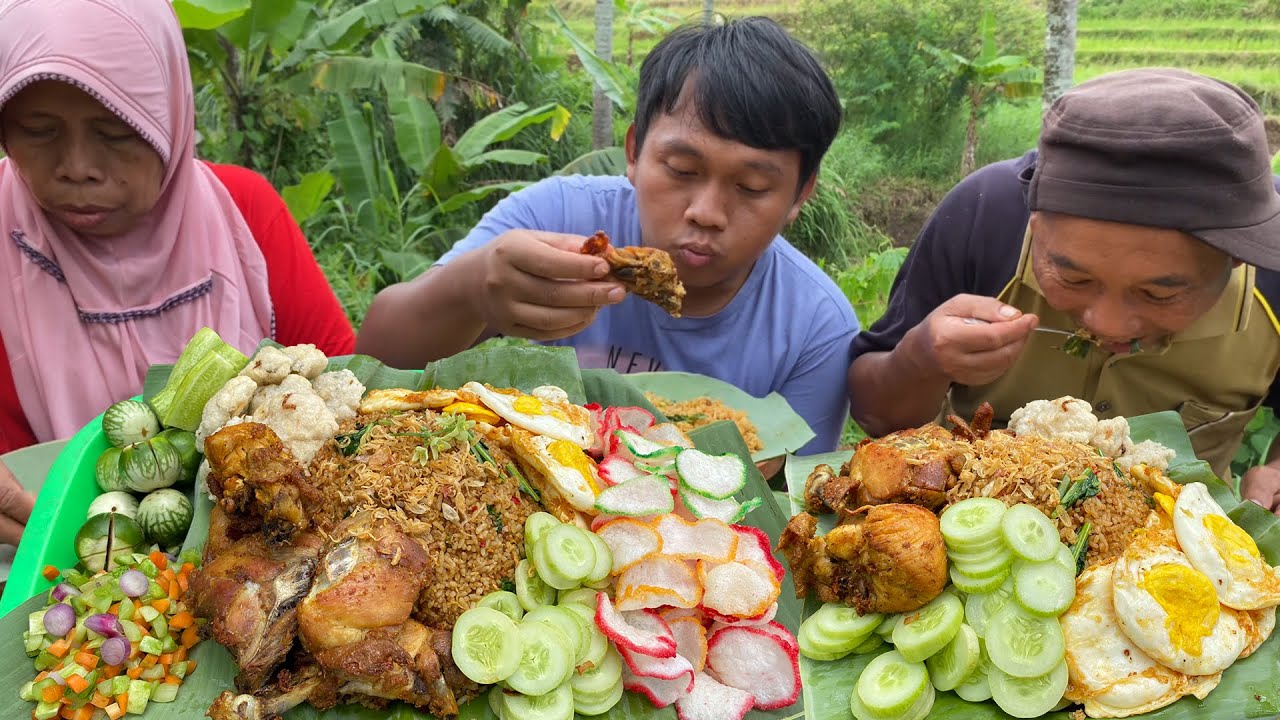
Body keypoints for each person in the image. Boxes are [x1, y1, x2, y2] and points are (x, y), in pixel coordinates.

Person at [356, 17, 856, 455]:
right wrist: (468, 291)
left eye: (752, 187)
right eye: (682, 169)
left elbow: (791, 505)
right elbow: (372, 367)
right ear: (635, 151)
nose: (706, 212)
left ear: (800, 193)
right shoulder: (554, 216)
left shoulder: (815, 329)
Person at [845, 67, 1280, 514]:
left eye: (1159, 293)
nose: (1105, 323)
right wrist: (921, 361)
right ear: (1036, 227)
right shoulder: (984, 219)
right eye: (1073, 278)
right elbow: (874, 413)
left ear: (1240, 256)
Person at [0, 0, 356, 544]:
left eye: (115, 132)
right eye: (38, 130)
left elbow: (350, 392)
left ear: (169, 113)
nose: (77, 166)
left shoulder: (246, 217)